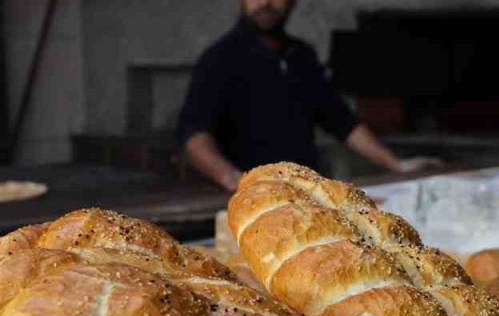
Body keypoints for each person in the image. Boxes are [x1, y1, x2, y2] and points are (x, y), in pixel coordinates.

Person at [176, 0, 441, 191]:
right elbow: (194, 135)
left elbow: (340, 121)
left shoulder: (301, 55)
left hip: (306, 195)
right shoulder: (219, 59)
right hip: (250, 201)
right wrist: (235, 180)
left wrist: (395, 164)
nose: (266, 3)